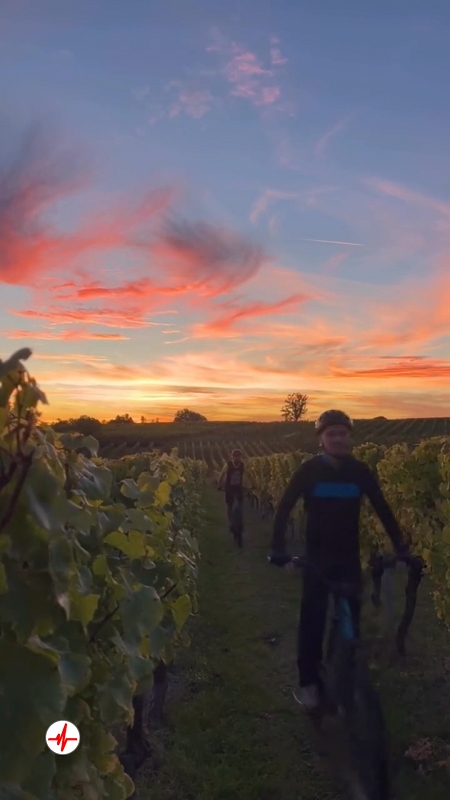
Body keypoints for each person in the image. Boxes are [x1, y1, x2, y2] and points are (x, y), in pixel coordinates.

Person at [269, 409, 409, 711]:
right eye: (331, 433)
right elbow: (283, 510)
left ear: (349, 437)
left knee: (351, 625)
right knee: (312, 623)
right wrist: (278, 552)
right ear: (321, 439)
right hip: (317, 560)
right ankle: (308, 684)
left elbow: (383, 508)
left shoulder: (359, 472)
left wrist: (400, 547)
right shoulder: (308, 471)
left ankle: (346, 670)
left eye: (343, 433)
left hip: (348, 558)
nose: (338, 438)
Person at [217, 449, 252, 531]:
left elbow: (247, 476)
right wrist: (219, 485)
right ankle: (230, 523)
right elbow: (222, 475)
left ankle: (240, 522)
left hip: (238, 488)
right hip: (229, 488)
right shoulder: (228, 465)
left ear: (240, 457)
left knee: (240, 506)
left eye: (238, 457)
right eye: (235, 456)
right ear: (232, 457)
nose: (236, 458)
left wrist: (250, 486)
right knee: (230, 506)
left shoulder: (243, 466)